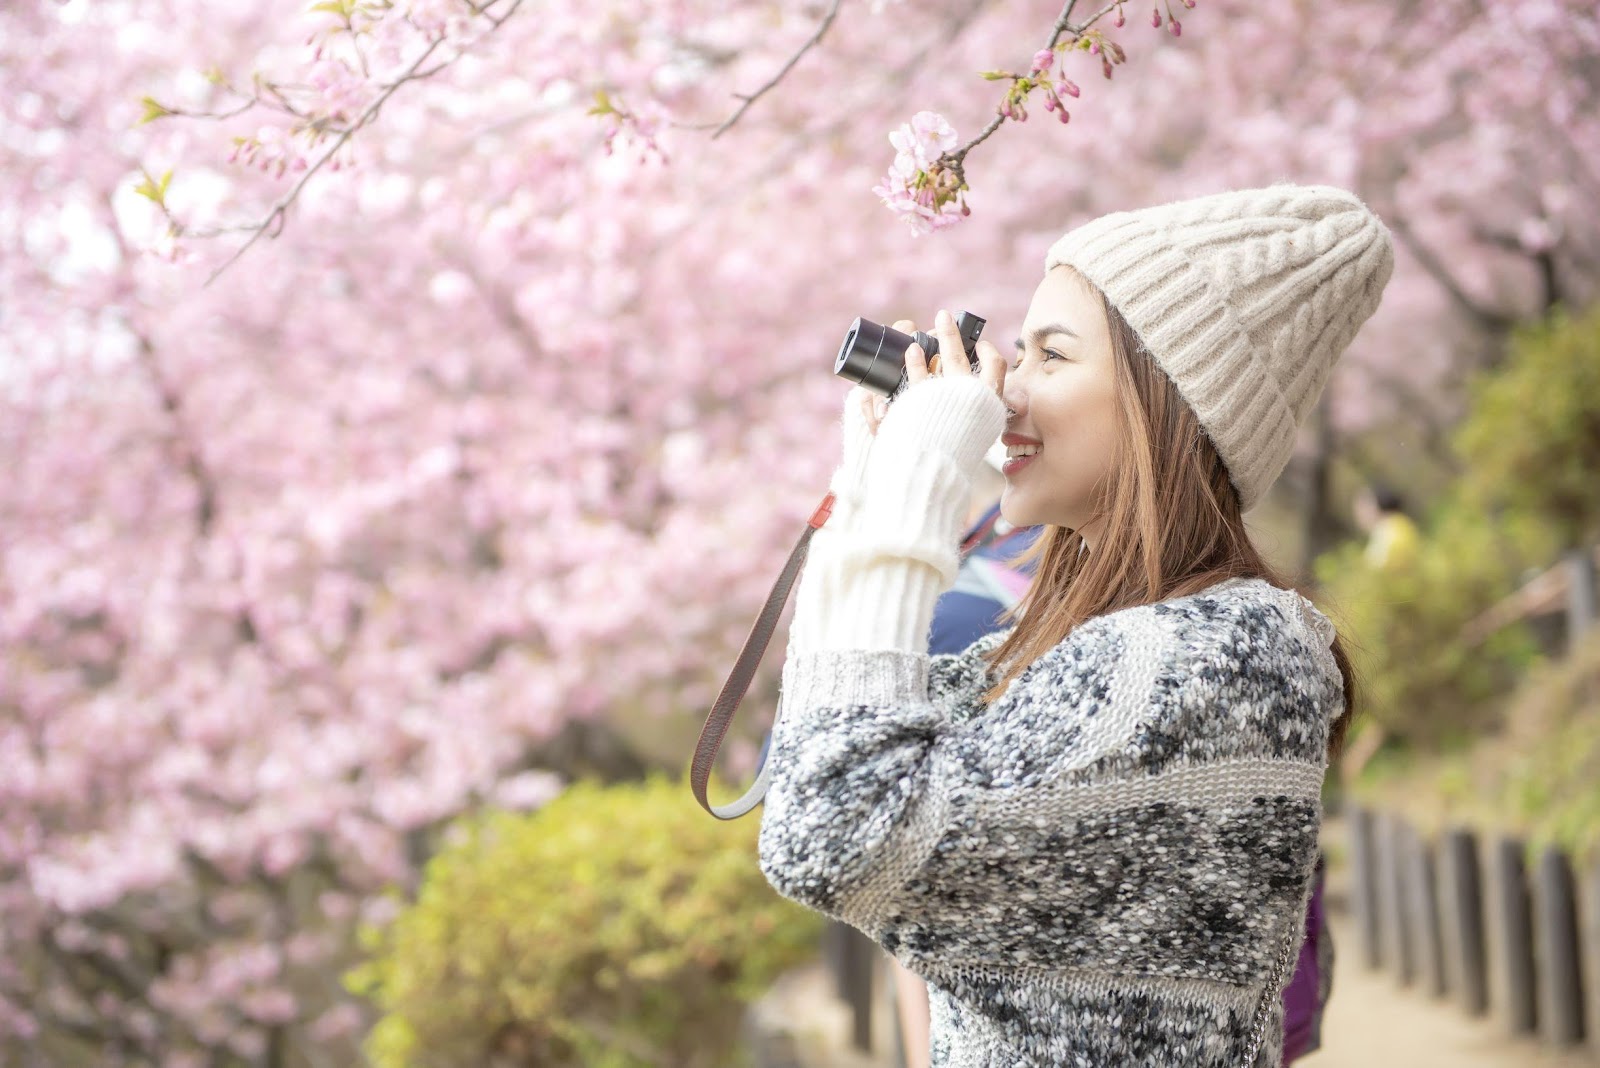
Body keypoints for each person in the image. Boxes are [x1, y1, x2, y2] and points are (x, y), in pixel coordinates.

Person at [756, 184, 1391, 1066]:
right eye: (1017, 355)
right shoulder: (1109, 641)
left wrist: (912, 500)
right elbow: (823, 755)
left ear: (1166, 402)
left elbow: (831, 832)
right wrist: (872, 490)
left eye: (1052, 357)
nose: (1006, 392)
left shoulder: (1219, 655)